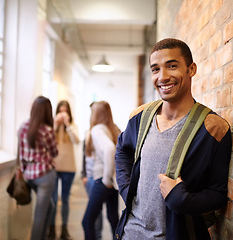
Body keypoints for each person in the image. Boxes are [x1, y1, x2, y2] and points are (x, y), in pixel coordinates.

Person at [114, 38, 232, 240]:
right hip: (129, 234)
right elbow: (122, 150)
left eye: (172, 66)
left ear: (191, 69)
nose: (163, 77)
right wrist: (127, 190)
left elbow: (217, 194)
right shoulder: (140, 117)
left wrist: (182, 200)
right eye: (155, 69)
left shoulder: (213, 128)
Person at [18, 96, 58, 240]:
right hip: (45, 175)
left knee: (50, 208)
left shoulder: (23, 127)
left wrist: (24, 170)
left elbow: (21, 153)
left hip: (29, 175)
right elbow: (55, 153)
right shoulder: (47, 130)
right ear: (48, 111)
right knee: (40, 215)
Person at [82, 101, 121, 240]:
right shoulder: (112, 128)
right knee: (113, 220)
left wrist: (105, 179)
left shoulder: (97, 129)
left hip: (102, 181)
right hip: (113, 182)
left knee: (87, 221)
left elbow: (110, 150)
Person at [48, 100, 80, 240]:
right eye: (60, 111)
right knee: (53, 200)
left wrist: (67, 125)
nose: (62, 113)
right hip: (53, 167)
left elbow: (76, 141)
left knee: (66, 199)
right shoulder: (52, 127)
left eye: (64, 111)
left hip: (68, 167)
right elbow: (47, 142)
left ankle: (64, 229)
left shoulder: (72, 126)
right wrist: (55, 125)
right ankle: (51, 229)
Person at [82, 128, 103, 240]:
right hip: (90, 177)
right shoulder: (88, 132)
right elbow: (84, 155)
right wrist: (83, 174)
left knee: (89, 218)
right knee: (96, 212)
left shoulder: (108, 131)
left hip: (101, 179)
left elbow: (111, 152)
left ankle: (98, 236)